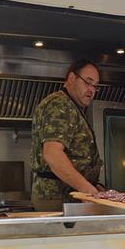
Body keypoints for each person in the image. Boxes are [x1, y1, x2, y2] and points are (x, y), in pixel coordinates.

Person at [30, 59, 103, 211]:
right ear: (71, 78)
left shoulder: (71, 107)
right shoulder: (59, 104)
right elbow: (52, 154)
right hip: (58, 199)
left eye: (95, 86)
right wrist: (88, 190)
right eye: (87, 82)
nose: (91, 90)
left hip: (71, 198)